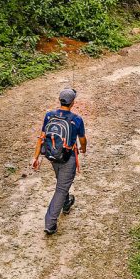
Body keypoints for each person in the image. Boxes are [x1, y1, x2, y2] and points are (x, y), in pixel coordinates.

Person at [31, 88, 87, 235]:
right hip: (68, 157)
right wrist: (84, 148)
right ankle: (50, 223)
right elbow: (82, 139)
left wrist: (35, 157)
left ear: (60, 100)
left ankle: (66, 202)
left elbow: (42, 137)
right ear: (73, 103)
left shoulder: (49, 116)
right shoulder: (76, 119)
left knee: (62, 181)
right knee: (61, 188)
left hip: (51, 155)